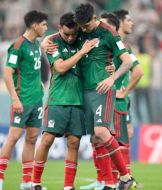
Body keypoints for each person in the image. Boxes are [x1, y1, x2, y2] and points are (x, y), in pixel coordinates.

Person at [30, 13, 97, 190]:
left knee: (74, 143)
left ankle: (68, 186)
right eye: (66, 33)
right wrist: (82, 52)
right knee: (47, 140)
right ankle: (35, 182)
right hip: (57, 99)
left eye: (73, 34)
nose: (69, 37)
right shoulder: (53, 43)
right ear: (59, 28)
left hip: (78, 101)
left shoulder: (82, 39)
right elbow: (59, 68)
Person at [80, 10, 143, 190]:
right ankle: (106, 180)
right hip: (98, 94)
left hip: (112, 97)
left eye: (104, 23)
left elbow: (137, 71)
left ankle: (119, 179)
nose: (101, 26)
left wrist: (121, 87)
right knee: (98, 138)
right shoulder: (100, 42)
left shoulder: (120, 46)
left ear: (115, 26)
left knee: (111, 137)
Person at [0, 10, 48, 190]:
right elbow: (7, 73)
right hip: (22, 99)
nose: (45, 27)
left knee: (32, 138)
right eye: (43, 24)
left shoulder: (36, 44)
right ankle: (0, 177)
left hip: (36, 100)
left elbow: (32, 69)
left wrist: (39, 84)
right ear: (34, 25)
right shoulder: (18, 45)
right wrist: (15, 99)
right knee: (13, 137)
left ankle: (26, 182)